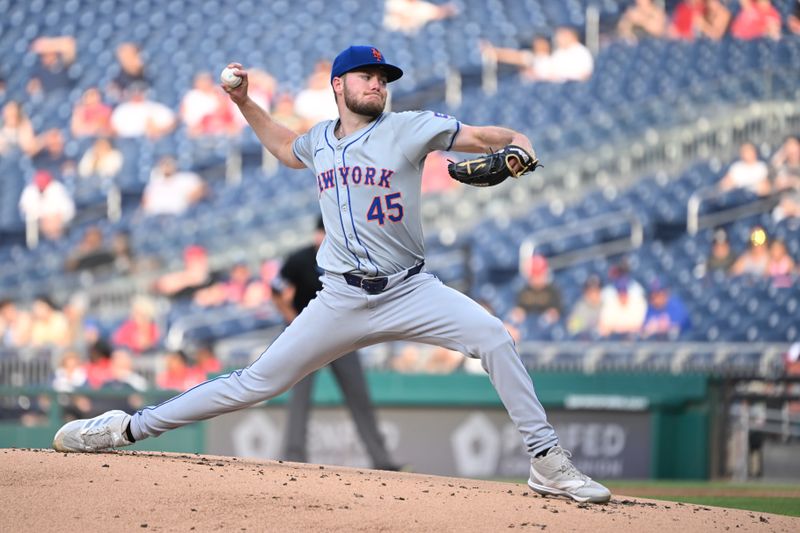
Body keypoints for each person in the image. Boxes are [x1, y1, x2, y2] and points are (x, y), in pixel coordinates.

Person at [52, 45, 611, 504]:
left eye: (383, 78)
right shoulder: (320, 140)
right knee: (255, 383)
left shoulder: (411, 128)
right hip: (339, 298)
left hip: (411, 289)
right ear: (338, 86)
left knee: (494, 336)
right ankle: (126, 428)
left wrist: (521, 150)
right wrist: (245, 101)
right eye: (366, 76)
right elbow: (280, 145)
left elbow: (495, 135)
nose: (378, 84)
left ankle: (547, 463)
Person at [271, 217, 400, 470]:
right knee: (300, 397)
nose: (322, 239)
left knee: (359, 396)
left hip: (339, 334)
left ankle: (382, 461)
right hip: (306, 336)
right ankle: (293, 458)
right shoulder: (300, 259)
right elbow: (276, 290)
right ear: (315, 235)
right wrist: (292, 319)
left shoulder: (345, 259)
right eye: (320, 233)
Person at [18, 169, 76, 240]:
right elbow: (25, 208)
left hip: (57, 222)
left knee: (54, 224)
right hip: (39, 224)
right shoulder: (30, 190)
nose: (42, 186)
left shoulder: (57, 188)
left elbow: (68, 210)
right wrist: (42, 217)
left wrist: (54, 218)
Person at [140, 155, 207, 217]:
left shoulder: (186, 178)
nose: (166, 167)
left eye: (168, 164)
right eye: (164, 164)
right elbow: (145, 201)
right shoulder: (155, 182)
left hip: (179, 216)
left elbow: (202, 189)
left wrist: (187, 201)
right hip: (157, 216)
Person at [509, 254, 562, 326]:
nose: (536, 279)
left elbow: (557, 312)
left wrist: (551, 315)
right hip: (527, 327)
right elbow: (518, 309)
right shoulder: (524, 290)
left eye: (539, 275)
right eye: (534, 276)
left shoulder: (553, 290)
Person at [110, 84, 176, 139]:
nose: (137, 93)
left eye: (140, 91)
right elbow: (114, 129)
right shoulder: (122, 109)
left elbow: (173, 122)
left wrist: (159, 130)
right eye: (134, 91)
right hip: (129, 141)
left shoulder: (154, 107)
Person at [479, 35, 554, 83]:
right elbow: (514, 56)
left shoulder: (551, 59)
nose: (539, 47)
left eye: (542, 44)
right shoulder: (531, 57)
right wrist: (494, 52)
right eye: (537, 44)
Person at [383, 0, 458, 34]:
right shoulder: (396, 2)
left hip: (411, 33)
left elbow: (437, 13)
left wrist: (447, 9)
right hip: (394, 30)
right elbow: (395, 13)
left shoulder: (421, 6)